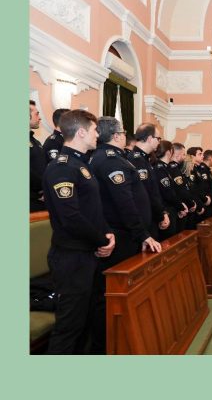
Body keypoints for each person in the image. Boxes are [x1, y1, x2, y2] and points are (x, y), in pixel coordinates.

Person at [42, 110, 115, 354]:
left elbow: (93, 208)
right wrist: (101, 238)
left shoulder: (81, 165)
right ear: (82, 132)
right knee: (70, 326)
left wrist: (106, 232)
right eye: (95, 130)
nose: (98, 135)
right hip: (72, 258)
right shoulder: (61, 168)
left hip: (88, 254)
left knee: (89, 320)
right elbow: (70, 217)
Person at [88, 117, 161, 353]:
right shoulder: (109, 161)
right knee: (112, 296)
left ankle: (119, 340)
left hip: (124, 234)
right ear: (117, 136)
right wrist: (142, 234)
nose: (124, 135)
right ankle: (111, 345)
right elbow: (124, 202)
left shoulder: (116, 158)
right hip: (121, 237)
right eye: (123, 132)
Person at [127, 123, 170, 237]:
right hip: (144, 218)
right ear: (150, 138)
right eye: (158, 138)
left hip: (151, 216)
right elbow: (147, 192)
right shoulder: (136, 159)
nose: (159, 142)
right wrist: (160, 214)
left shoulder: (145, 158)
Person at [153, 140, 189, 238]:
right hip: (166, 210)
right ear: (169, 153)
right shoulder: (159, 168)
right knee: (168, 241)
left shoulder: (164, 167)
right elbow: (168, 193)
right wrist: (180, 206)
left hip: (171, 209)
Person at [193, 149, 212, 221]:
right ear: (210, 158)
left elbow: (211, 188)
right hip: (206, 203)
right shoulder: (202, 169)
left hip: (210, 202)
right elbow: (205, 189)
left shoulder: (207, 169)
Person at [30, 100, 46, 212]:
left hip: (40, 197)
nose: (39, 118)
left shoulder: (35, 141)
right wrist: (43, 188)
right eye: (37, 114)